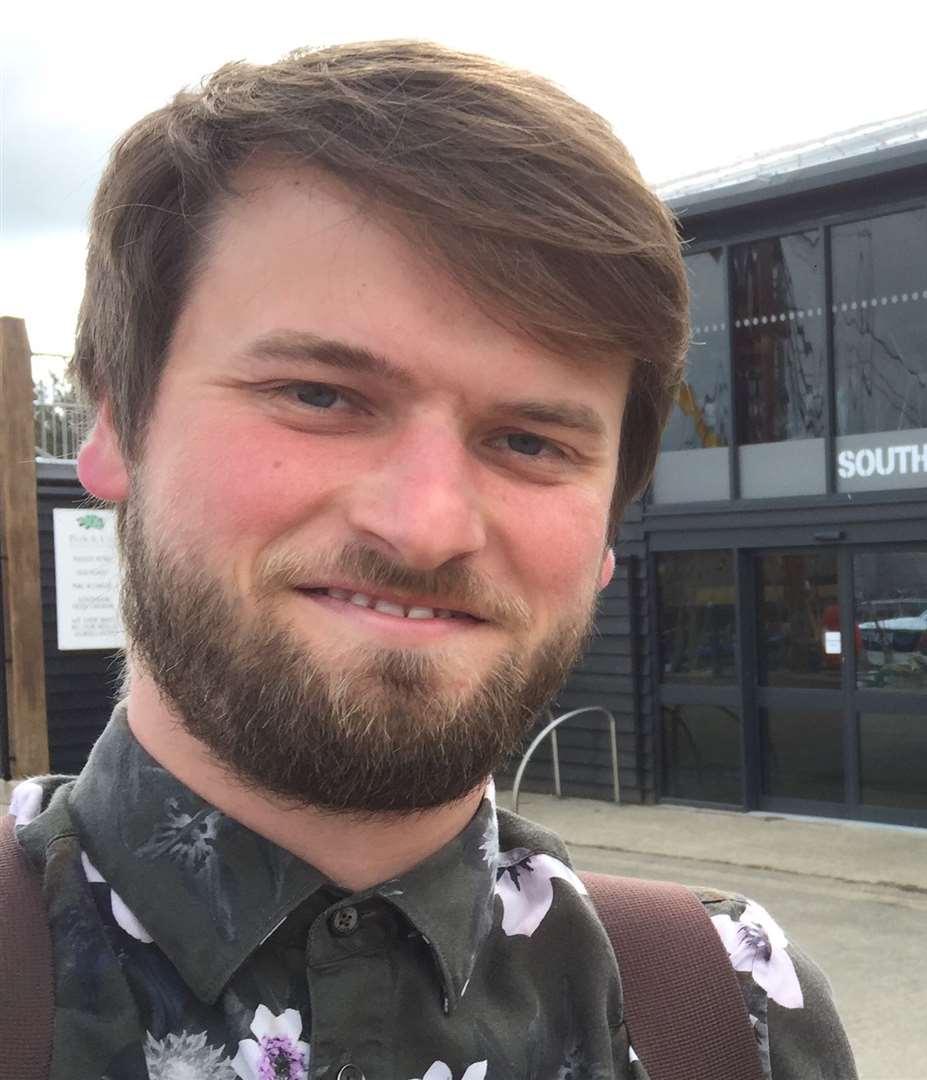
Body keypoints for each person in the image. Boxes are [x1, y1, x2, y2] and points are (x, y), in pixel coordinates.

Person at [7, 41, 855, 1080]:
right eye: (320, 395)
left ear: (606, 527)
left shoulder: (732, 1021)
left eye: (529, 443)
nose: (426, 526)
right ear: (112, 421)